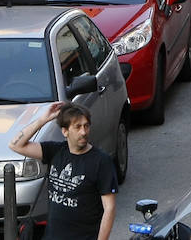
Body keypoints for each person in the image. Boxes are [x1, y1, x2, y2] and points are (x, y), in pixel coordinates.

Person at [8, 102, 117, 240]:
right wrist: (43, 119)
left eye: (86, 126)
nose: (83, 132)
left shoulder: (101, 161)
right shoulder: (55, 151)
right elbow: (15, 145)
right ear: (65, 131)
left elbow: (109, 208)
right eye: (77, 127)